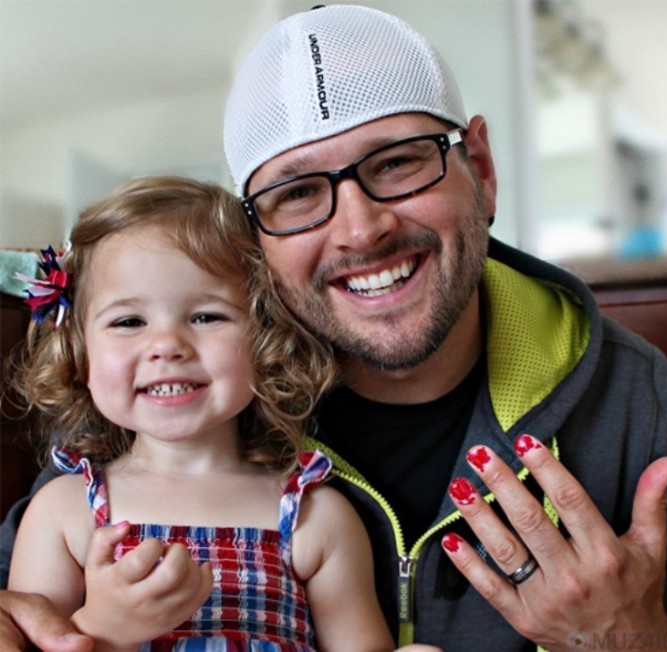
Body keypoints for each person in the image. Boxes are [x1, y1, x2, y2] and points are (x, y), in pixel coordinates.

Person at [1, 4, 667, 651]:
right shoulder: (165, 406)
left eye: (400, 162)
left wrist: (635, 641)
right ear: (256, 241)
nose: (361, 228)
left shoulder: (631, 395)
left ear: (479, 167)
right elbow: (25, 604)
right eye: (296, 193)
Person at [4, 175, 439, 652]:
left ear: (266, 339)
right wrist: (103, 629)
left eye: (206, 317)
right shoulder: (65, 514)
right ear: (80, 353)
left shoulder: (315, 518)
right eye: (129, 322)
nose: (167, 346)